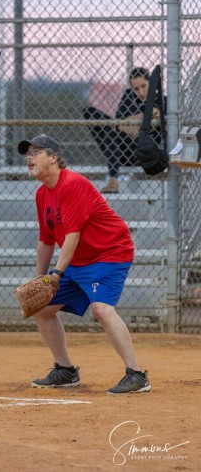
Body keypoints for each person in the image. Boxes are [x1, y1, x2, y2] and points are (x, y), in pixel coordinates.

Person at [17, 134, 151, 394]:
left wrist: (56, 274)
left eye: (36, 152)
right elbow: (46, 241)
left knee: (101, 309)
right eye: (27, 153)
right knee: (42, 310)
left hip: (108, 253)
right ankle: (65, 371)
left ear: (54, 157)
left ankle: (137, 375)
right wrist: (40, 279)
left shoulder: (73, 184)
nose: (29, 158)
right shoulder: (42, 194)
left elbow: (72, 235)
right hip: (77, 259)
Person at [83, 67, 166, 193]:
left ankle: (113, 180)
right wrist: (139, 119)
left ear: (151, 83)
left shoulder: (162, 101)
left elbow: (165, 132)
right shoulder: (129, 96)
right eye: (136, 89)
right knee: (89, 112)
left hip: (142, 153)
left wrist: (157, 117)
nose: (141, 92)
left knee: (111, 132)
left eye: (144, 86)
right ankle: (113, 179)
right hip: (119, 148)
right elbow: (118, 123)